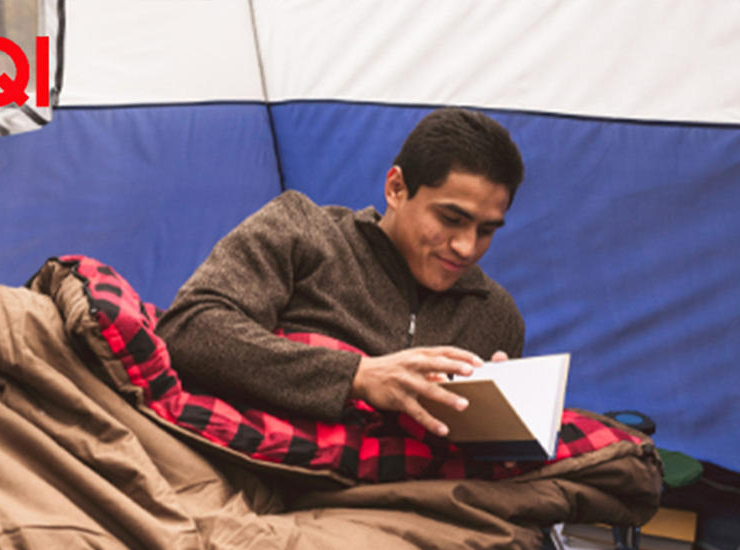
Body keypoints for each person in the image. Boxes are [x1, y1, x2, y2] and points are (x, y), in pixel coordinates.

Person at [157, 107, 525, 438]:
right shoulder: (300, 231)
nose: (466, 247)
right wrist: (356, 376)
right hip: (257, 469)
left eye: (486, 230)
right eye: (451, 219)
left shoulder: (495, 316)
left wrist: (505, 425)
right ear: (396, 189)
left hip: (408, 488)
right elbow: (188, 329)